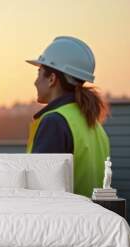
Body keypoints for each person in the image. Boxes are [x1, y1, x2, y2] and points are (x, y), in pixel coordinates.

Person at [25, 36, 110, 197]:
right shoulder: (95, 127)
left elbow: (40, 193)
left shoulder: (55, 123)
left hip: (63, 220)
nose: (35, 82)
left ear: (51, 79)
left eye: (39, 73)